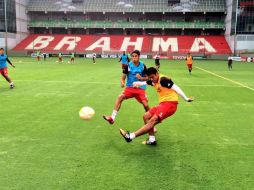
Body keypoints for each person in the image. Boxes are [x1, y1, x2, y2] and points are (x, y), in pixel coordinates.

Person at [119, 67, 194, 145]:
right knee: (146, 116)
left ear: (157, 74)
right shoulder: (153, 81)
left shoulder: (163, 80)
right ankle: (152, 140)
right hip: (163, 104)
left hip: (170, 104)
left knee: (153, 120)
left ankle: (130, 136)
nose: (152, 79)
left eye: (152, 77)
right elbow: (147, 82)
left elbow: (176, 87)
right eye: (150, 77)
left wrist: (186, 98)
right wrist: (139, 83)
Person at [103, 50, 149, 124]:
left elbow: (148, 78)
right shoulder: (128, 65)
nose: (134, 58)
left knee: (146, 105)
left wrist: (141, 78)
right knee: (120, 97)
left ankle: (150, 122)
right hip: (130, 88)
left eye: (136, 56)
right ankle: (112, 118)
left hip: (140, 88)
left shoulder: (143, 65)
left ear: (139, 56)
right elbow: (123, 78)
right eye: (133, 56)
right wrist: (122, 82)